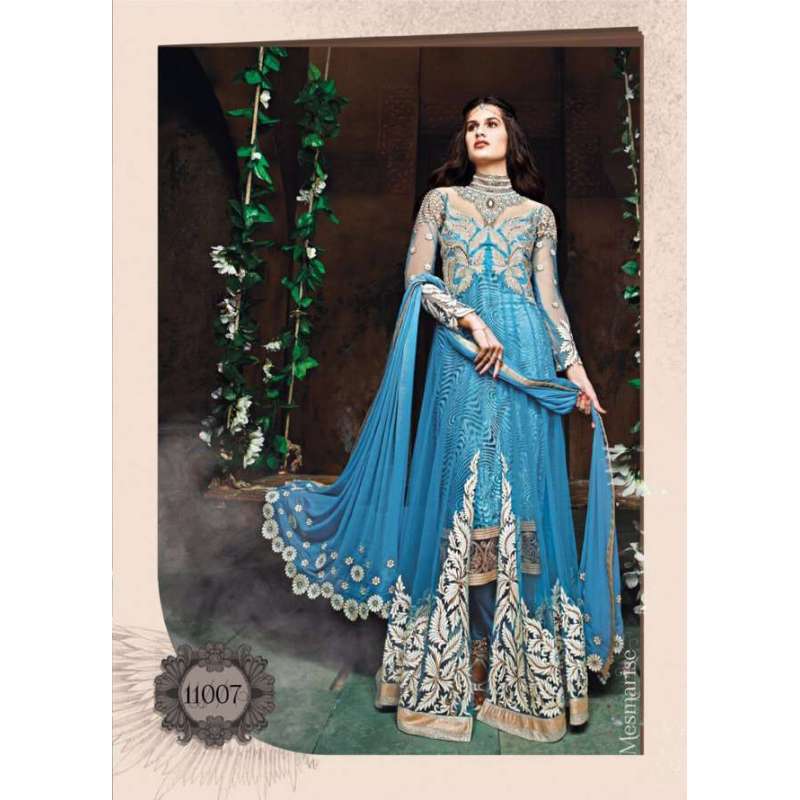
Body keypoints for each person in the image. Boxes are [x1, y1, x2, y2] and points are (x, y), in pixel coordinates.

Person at [260, 96, 624, 744]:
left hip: (527, 356)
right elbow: (416, 281)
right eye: (472, 126)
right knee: (466, 491)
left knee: (522, 499)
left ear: (511, 136)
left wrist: (576, 371)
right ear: (465, 140)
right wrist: (469, 318)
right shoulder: (441, 203)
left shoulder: (538, 216)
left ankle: (518, 664)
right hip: (465, 357)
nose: (480, 132)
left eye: (492, 123)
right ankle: (461, 658)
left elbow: (550, 300)